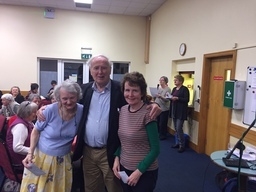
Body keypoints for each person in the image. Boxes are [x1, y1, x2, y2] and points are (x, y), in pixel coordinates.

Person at [72, 55, 161, 192]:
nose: (100, 72)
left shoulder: (120, 89)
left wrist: (153, 104)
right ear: (91, 71)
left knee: (115, 188)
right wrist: (45, 109)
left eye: (104, 68)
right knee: (91, 188)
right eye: (96, 68)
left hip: (110, 151)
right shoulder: (84, 90)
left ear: (110, 69)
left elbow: (136, 99)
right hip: (88, 151)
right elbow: (66, 103)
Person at [20, 79, 84, 192]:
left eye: (72, 98)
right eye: (64, 98)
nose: (68, 102)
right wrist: (30, 153)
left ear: (77, 96)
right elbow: (36, 131)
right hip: (42, 158)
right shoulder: (49, 110)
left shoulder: (81, 111)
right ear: (59, 98)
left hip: (63, 160)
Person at [112, 71, 160, 192]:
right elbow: (123, 140)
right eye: (127, 90)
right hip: (124, 168)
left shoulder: (149, 113)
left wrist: (138, 171)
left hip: (145, 172)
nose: (130, 94)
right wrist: (117, 158)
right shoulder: (122, 110)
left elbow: (156, 149)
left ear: (142, 93)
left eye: (135, 90)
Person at [6, 101, 38, 172]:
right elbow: (17, 148)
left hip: (27, 156)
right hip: (21, 161)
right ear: (27, 113)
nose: (36, 113)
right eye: (34, 112)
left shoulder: (29, 122)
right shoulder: (20, 126)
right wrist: (36, 151)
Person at [170, 74, 189, 153]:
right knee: (175, 128)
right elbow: (171, 97)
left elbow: (186, 99)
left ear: (180, 81)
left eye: (176, 80)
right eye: (174, 80)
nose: (174, 81)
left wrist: (177, 98)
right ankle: (177, 143)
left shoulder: (184, 89)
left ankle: (182, 145)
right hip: (174, 110)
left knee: (179, 128)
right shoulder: (174, 89)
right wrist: (170, 98)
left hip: (181, 111)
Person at [155, 76, 171, 140]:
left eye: (162, 80)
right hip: (158, 107)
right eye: (160, 80)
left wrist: (160, 96)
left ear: (165, 81)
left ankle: (163, 135)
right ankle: (158, 134)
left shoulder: (168, 89)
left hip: (164, 109)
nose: (160, 82)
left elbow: (167, 99)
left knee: (162, 123)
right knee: (157, 122)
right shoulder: (159, 88)